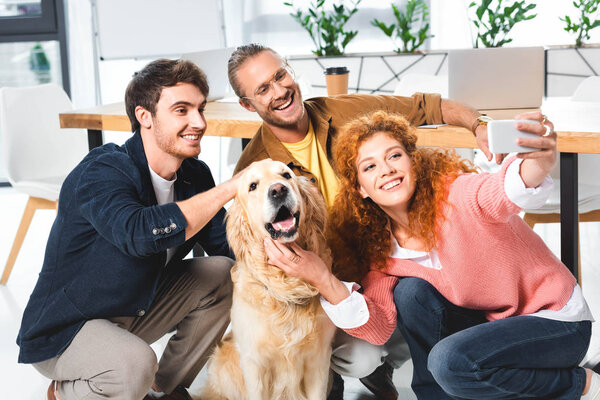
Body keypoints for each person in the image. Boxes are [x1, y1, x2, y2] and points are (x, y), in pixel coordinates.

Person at [264, 109, 600, 399]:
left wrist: (537, 162)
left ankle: (581, 384)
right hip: (495, 324)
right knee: (411, 294)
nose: (386, 169)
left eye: (394, 156)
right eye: (369, 167)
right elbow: (378, 329)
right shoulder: (382, 248)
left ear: (413, 161)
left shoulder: (457, 195)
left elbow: (504, 189)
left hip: (555, 320)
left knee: (450, 362)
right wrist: (322, 277)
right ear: (361, 190)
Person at [228, 42, 500, 399]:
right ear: (247, 106)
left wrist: (480, 124)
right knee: (361, 356)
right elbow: (256, 253)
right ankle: (346, 369)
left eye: (280, 75)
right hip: (333, 282)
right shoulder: (254, 170)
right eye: (263, 89)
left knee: (426, 296)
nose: (279, 91)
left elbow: (427, 107)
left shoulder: (344, 112)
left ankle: (433, 370)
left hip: (389, 258)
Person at [17, 59, 244, 400]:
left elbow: (229, 247)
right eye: (181, 110)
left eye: (200, 109)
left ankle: (162, 388)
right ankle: (66, 392)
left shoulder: (195, 175)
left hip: (135, 304)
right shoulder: (102, 170)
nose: (198, 122)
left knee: (224, 273)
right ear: (145, 117)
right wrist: (230, 188)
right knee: (134, 364)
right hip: (69, 329)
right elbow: (138, 234)